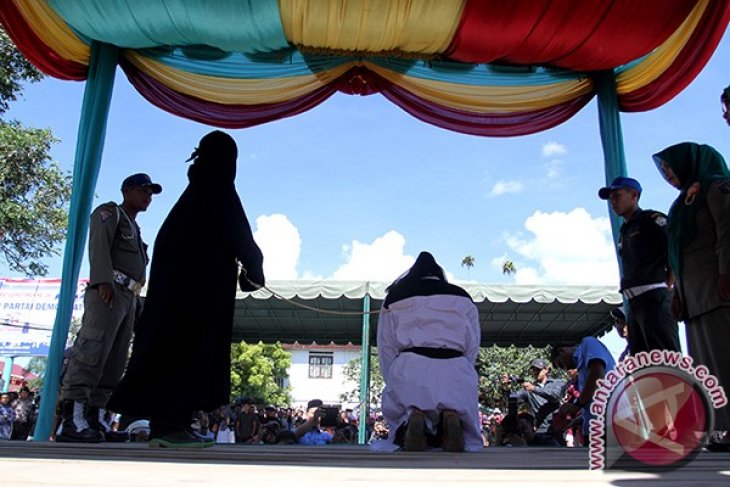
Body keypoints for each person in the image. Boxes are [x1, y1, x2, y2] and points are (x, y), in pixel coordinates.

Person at [108, 130, 265, 448]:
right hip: (194, 301)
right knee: (186, 354)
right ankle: (168, 426)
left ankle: (174, 423)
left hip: (176, 299)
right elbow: (239, 232)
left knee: (172, 354)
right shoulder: (216, 188)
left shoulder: (193, 195)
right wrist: (255, 270)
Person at [56, 173, 159, 443]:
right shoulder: (109, 212)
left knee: (114, 360)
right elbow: (99, 244)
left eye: (150, 192)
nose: (147, 196)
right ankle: (73, 419)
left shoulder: (135, 229)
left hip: (129, 295)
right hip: (109, 290)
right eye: (142, 190)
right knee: (93, 350)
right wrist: (102, 280)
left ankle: (95, 417)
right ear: (127, 190)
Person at [653, 141, 730, 452]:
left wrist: (727, 272)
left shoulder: (716, 187)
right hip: (694, 298)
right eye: (665, 171)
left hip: (718, 289)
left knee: (725, 360)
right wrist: (677, 292)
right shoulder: (684, 202)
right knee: (707, 368)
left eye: (671, 167)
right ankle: (721, 429)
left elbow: (727, 231)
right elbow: (678, 252)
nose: (668, 175)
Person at [371, 251, 482, 452]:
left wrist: (393, 379)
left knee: (405, 407)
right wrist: (465, 369)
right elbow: (473, 344)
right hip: (456, 368)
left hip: (411, 367)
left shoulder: (395, 297)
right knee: (456, 405)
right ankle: (450, 416)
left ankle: (413, 418)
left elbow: (386, 346)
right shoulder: (464, 297)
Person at [598, 177, 681, 354]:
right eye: (610, 198)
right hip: (633, 304)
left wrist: (669, 283)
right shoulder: (624, 230)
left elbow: (674, 249)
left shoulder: (650, 219)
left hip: (654, 297)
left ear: (634, 195)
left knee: (666, 359)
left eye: (617, 196)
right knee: (642, 363)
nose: (613, 202)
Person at [551, 338, 616, 446]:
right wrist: (576, 420)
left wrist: (576, 405)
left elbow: (597, 373)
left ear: (562, 351)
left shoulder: (588, 343)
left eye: (562, 364)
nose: (566, 369)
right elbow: (591, 402)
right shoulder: (582, 371)